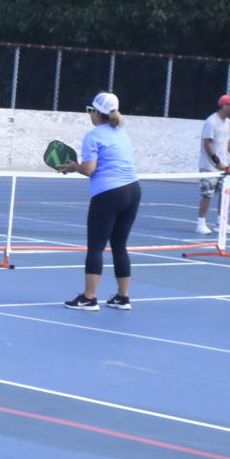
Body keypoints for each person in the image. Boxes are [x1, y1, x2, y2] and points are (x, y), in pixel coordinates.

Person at [60, 92, 141, 312]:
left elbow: (89, 169)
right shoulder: (122, 133)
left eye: (91, 111)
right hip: (133, 191)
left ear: (97, 112)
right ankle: (123, 298)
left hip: (109, 194)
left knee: (96, 247)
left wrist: (73, 166)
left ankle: (89, 298)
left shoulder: (93, 136)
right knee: (119, 246)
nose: (90, 115)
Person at [195, 92, 230, 236]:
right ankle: (200, 224)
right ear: (225, 106)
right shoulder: (211, 121)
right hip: (209, 167)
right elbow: (207, 144)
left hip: (224, 166)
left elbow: (228, 141)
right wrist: (217, 162)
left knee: (225, 194)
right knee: (207, 195)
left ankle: (221, 222)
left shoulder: (227, 122)